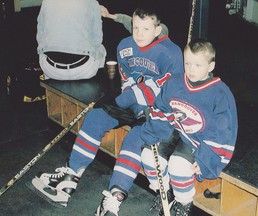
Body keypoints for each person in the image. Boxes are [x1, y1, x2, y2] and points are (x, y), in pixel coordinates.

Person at [30, 6, 184, 214]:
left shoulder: (171, 53)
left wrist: (147, 104)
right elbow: (127, 80)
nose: (139, 34)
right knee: (96, 117)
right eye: (135, 27)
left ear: (157, 30)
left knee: (135, 137)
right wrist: (128, 97)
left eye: (146, 29)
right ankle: (70, 176)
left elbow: (172, 89)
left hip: (155, 110)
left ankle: (114, 198)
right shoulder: (125, 46)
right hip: (132, 102)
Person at [140, 38, 238, 215]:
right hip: (173, 131)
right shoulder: (175, 82)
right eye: (187, 63)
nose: (191, 69)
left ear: (211, 66)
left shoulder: (220, 94)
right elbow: (160, 108)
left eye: (198, 65)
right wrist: (154, 131)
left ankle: (183, 204)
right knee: (148, 156)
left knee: (178, 165)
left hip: (197, 140)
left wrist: (206, 159)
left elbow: (223, 133)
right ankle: (165, 193)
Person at [36, 0, 106, 80]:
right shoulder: (92, 2)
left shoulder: (46, 1)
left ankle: (48, 79)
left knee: (42, 50)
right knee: (101, 49)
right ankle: (98, 84)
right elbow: (97, 40)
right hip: (84, 71)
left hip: (51, 71)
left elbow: (40, 37)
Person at [100, 5, 169, 37]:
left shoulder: (161, 37)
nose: (139, 34)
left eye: (145, 29)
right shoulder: (135, 28)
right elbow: (124, 18)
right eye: (136, 28)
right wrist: (108, 15)